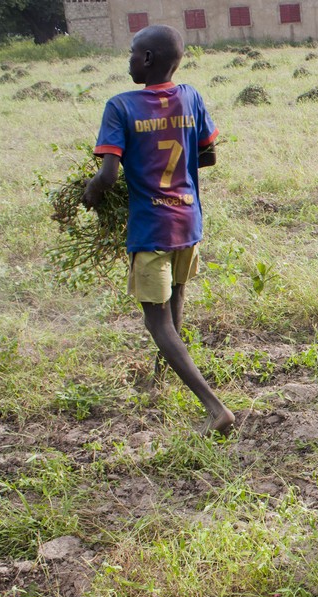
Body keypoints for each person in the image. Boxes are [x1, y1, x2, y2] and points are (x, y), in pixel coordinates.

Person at [83, 25, 234, 436]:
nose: (129, 59)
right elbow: (208, 156)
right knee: (175, 298)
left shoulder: (121, 106)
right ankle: (162, 375)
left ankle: (214, 407)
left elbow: (109, 175)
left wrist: (91, 193)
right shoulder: (191, 97)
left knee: (156, 319)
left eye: (133, 53)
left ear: (147, 59)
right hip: (188, 220)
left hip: (151, 228)